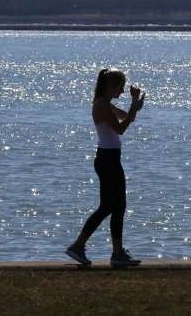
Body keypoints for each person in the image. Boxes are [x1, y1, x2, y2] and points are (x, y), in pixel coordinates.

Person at [66, 68, 145, 267]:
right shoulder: (102, 105)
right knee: (111, 206)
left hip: (110, 158)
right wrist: (134, 106)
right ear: (110, 86)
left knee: (115, 206)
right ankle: (83, 247)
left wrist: (135, 105)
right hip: (107, 160)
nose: (122, 91)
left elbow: (126, 117)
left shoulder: (106, 104)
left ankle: (114, 252)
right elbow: (121, 128)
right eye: (120, 87)